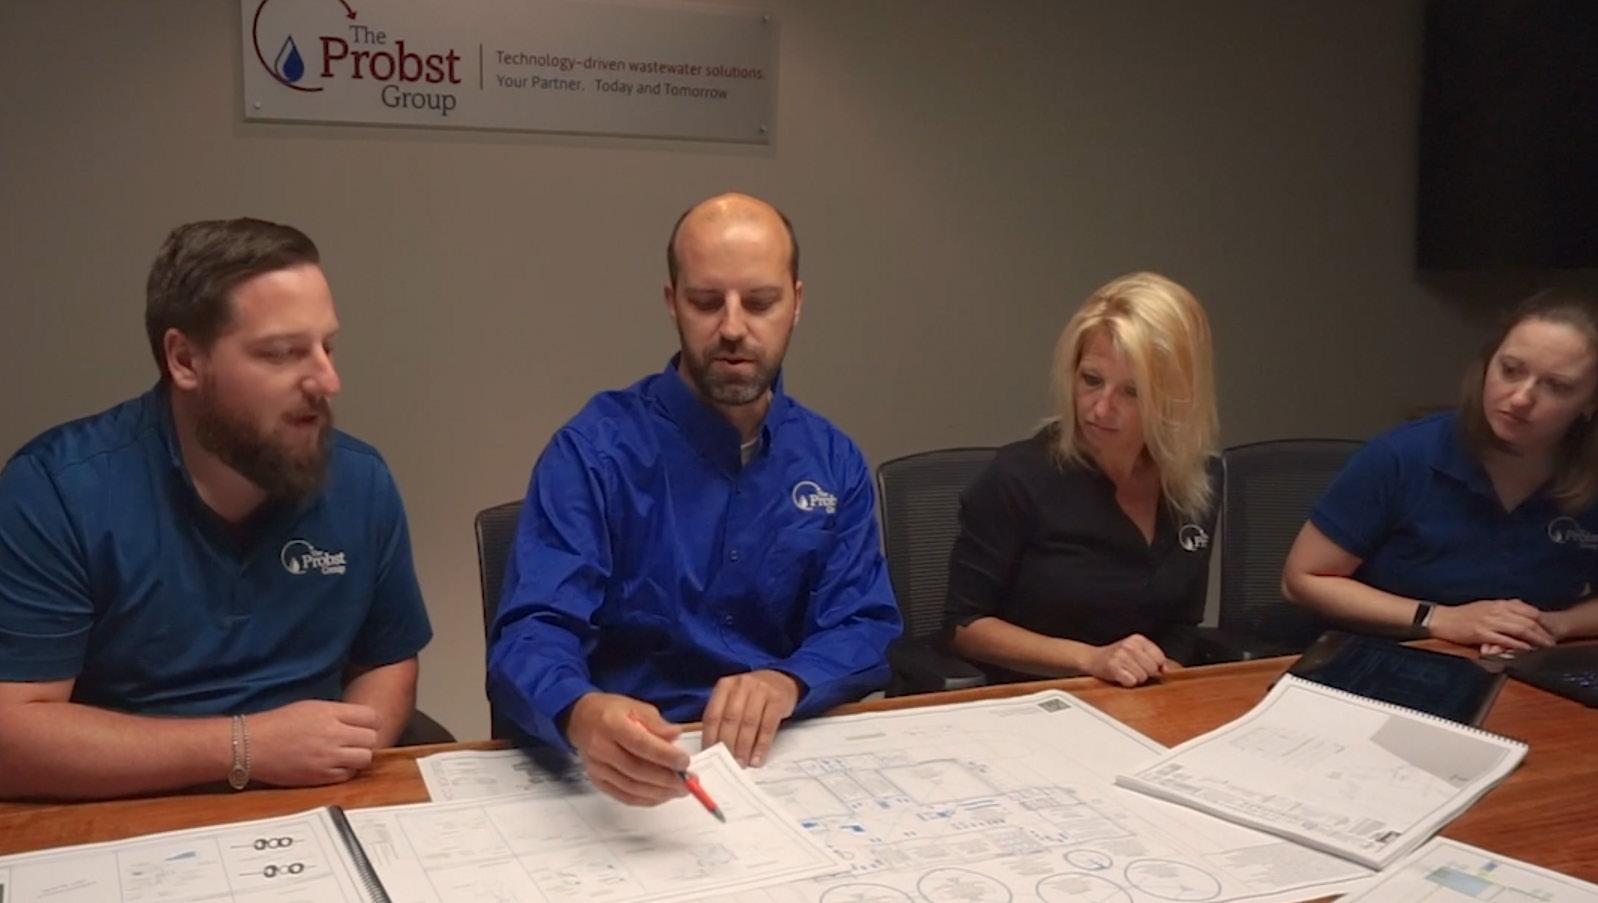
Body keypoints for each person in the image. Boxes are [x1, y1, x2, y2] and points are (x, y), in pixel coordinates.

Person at [487, 192, 901, 806]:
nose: (732, 327)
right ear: (672, 302)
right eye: (706, 302)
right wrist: (580, 711)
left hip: (781, 755)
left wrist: (789, 681)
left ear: (796, 303)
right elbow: (532, 632)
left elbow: (863, 623)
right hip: (634, 761)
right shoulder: (594, 452)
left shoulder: (832, 460)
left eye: (759, 302)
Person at [0, 218, 433, 801]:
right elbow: (13, 732)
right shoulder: (58, 490)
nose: (327, 381)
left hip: (312, 799)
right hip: (130, 803)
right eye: (282, 353)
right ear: (184, 360)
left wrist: (350, 750)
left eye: (327, 347)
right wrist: (244, 748)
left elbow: (386, 663)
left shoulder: (359, 481)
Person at [944, 272, 1220, 688]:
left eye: (1132, 392)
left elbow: (1181, 625)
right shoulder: (1018, 476)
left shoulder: (1197, 481)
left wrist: (1166, 687)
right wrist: (1091, 660)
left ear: (1174, 397)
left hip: (1142, 698)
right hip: (1035, 696)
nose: (1101, 408)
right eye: (1091, 380)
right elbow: (964, 626)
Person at [1283, 288, 1598, 652]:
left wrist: (1551, 625)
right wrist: (1440, 618)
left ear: (1590, 401)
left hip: (1526, 659)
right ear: (1487, 364)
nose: (1520, 398)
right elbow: (1303, 579)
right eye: (1510, 370)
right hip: (1389, 653)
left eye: (1557, 386)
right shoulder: (1402, 456)